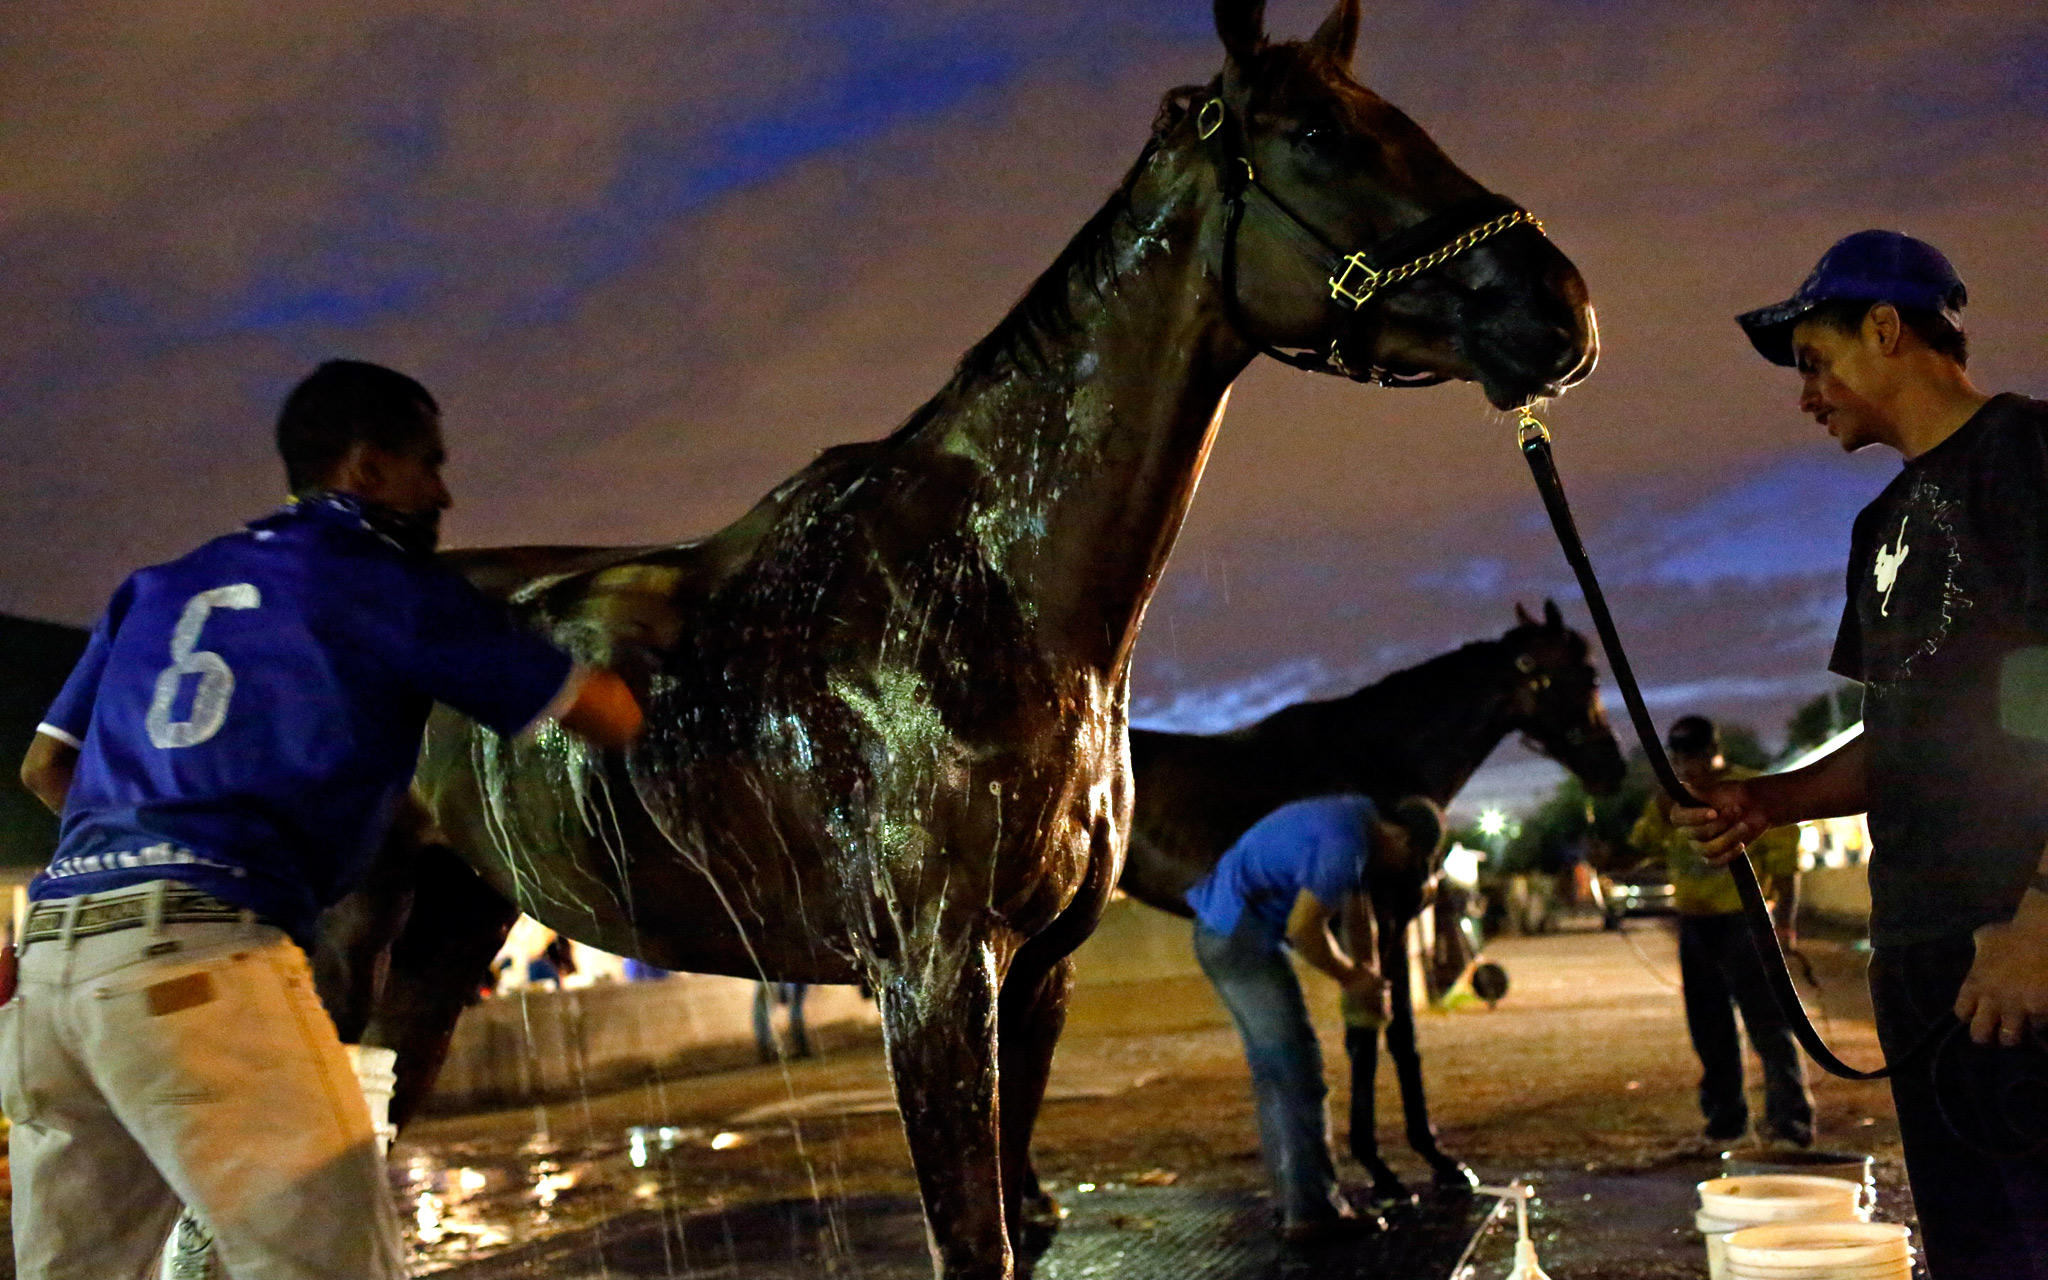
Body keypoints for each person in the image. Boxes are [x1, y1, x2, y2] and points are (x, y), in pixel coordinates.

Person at [7, 359, 644, 1280]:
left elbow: (45, 767)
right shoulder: (383, 584)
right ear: (367, 468)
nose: (445, 491)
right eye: (429, 464)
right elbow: (609, 715)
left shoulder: (155, 587)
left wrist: (150, 838)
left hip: (54, 973)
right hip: (199, 970)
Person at [1677, 231, 2048, 1277]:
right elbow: (1900, 730)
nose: (1804, 396)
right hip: (1927, 962)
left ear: (1884, 327)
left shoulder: (2023, 456)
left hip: (2016, 950)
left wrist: (2038, 916)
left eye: (1810, 359)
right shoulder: (1875, 524)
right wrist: (1767, 799)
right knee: (1975, 1245)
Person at [1185, 791, 1443, 1242]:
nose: (1400, 871)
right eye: (1410, 860)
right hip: (1240, 937)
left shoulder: (1355, 818)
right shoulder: (1348, 844)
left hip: (1221, 927)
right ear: (1400, 837)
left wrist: (1368, 979)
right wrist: (1352, 980)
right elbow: (1303, 928)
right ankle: (1313, 1211)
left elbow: (1357, 912)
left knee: (1275, 1076)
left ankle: (1293, 1202)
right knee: (1297, 1070)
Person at [1628, 716, 1812, 1148]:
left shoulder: (1751, 790)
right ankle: (1726, 1121)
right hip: (1694, 924)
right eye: (1679, 758)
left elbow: (1787, 870)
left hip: (1745, 922)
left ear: (1716, 749)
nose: (1687, 767)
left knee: (1769, 1025)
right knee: (1709, 1030)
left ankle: (1790, 1124)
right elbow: (1642, 845)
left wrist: (1784, 922)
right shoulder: (1671, 799)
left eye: (1694, 756)